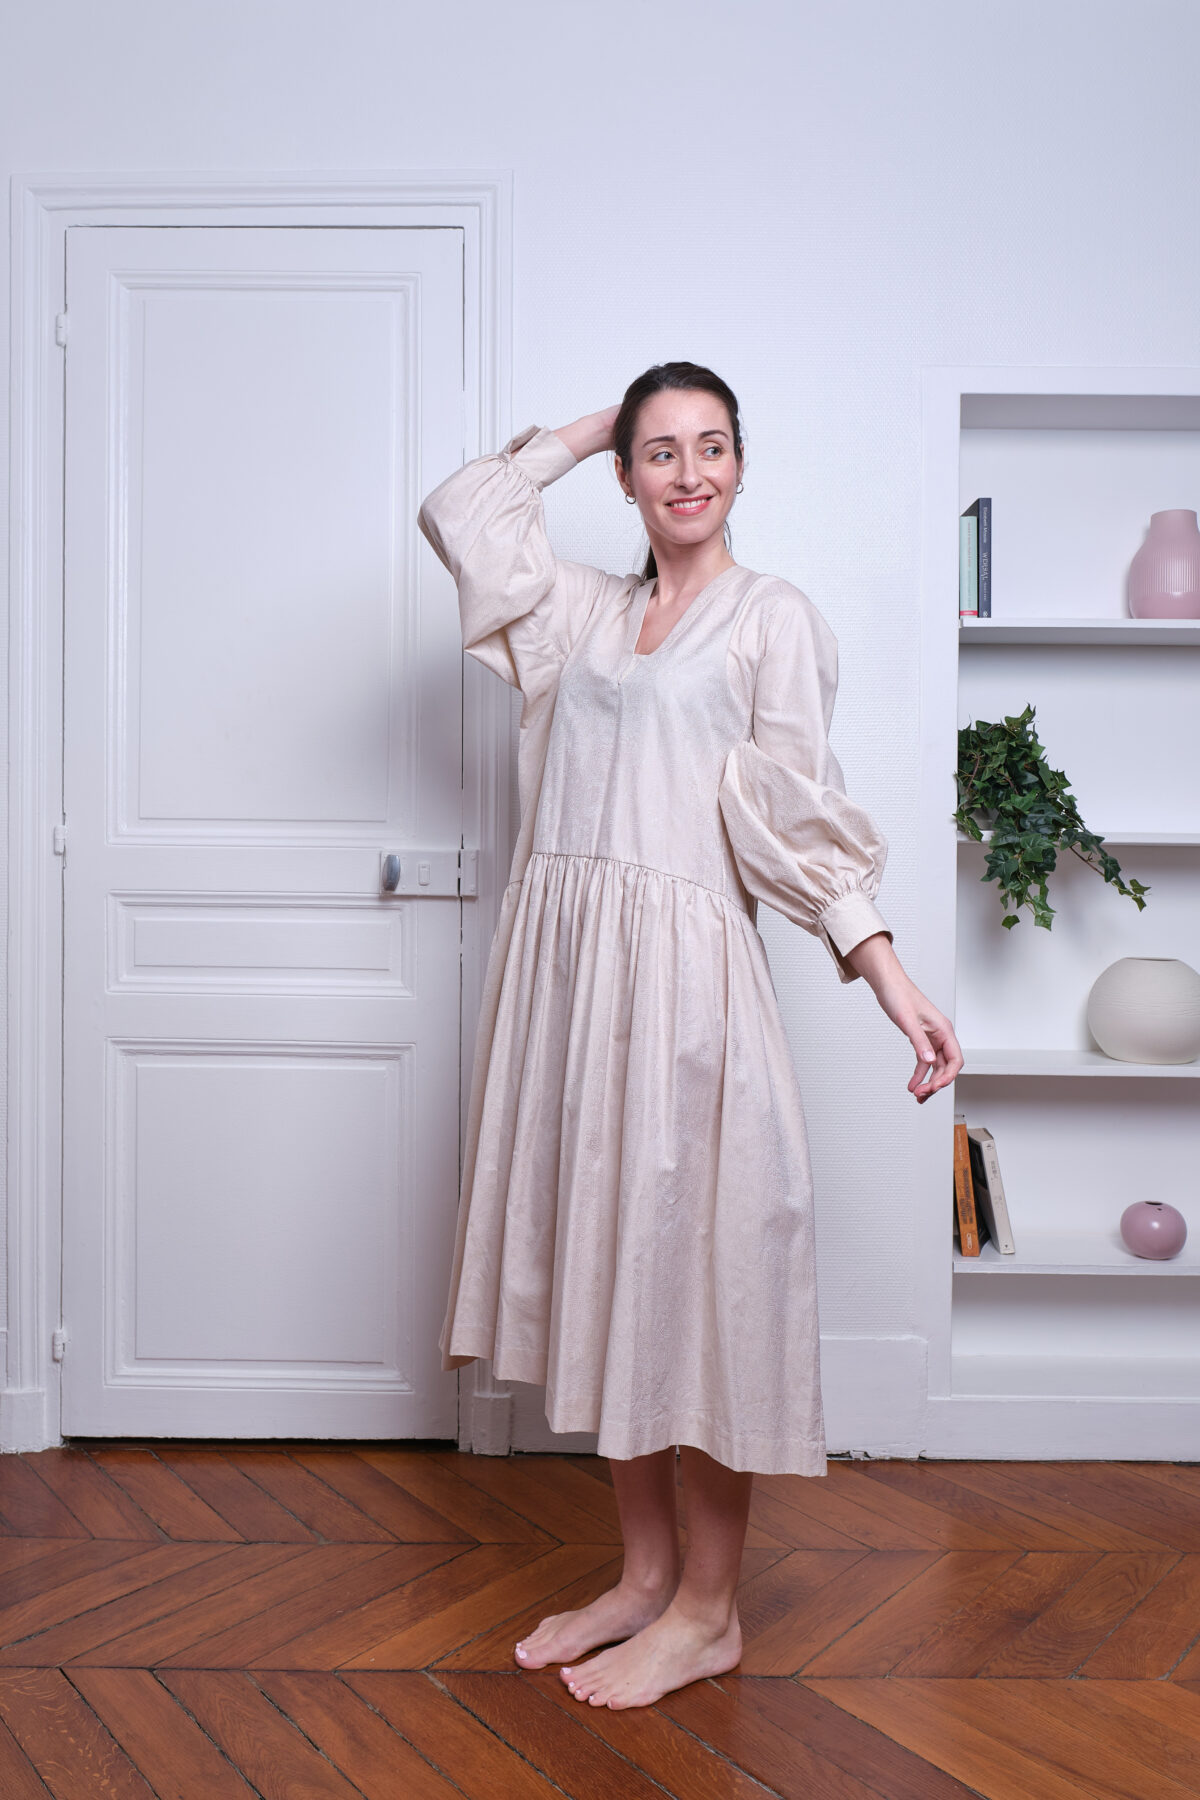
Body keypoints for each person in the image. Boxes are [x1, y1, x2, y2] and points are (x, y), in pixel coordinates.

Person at [416, 362, 963, 1711]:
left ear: (742, 466)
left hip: (690, 1000)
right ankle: (644, 1578)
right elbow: (464, 510)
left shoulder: (774, 620)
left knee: (705, 1292)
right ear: (624, 476)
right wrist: (597, 420)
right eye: (659, 451)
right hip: (573, 991)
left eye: (712, 446)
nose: (689, 473)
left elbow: (800, 827)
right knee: (622, 1280)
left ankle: (710, 1613)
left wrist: (890, 980)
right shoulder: (581, 615)